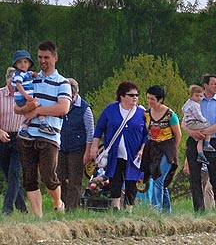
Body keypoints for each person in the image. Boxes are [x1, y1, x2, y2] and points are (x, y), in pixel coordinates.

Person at [14, 41, 72, 217]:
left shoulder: (63, 82)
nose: (43, 61)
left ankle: (58, 202)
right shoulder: (29, 78)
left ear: (55, 58)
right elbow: (17, 108)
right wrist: (27, 109)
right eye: (40, 57)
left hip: (50, 135)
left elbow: (63, 108)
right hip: (27, 134)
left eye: (46, 57)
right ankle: (38, 217)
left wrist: (38, 110)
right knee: (29, 179)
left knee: (48, 176)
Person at [91, 81, 147, 210]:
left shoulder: (141, 112)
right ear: (122, 96)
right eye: (131, 95)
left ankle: (129, 209)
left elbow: (146, 134)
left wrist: (142, 149)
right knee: (115, 179)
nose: (135, 98)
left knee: (131, 180)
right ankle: (115, 207)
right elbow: (99, 128)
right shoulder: (111, 109)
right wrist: (94, 146)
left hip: (134, 154)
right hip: (115, 152)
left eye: (137, 95)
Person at [183, 74, 216, 211]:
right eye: (214, 84)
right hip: (194, 139)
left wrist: (205, 132)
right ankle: (199, 209)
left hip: (214, 141)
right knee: (195, 177)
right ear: (205, 85)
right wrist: (192, 133)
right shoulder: (195, 101)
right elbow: (184, 122)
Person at [140, 85, 181, 212]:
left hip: (167, 148)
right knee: (158, 180)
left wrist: (173, 151)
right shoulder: (146, 114)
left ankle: (155, 209)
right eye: (148, 98)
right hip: (153, 148)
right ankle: (167, 211)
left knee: (159, 178)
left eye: (152, 99)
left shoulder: (170, 115)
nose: (149, 101)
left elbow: (178, 135)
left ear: (160, 100)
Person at [57, 78, 94, 211]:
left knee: (75, 179)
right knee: (59, 178)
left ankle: (72, 208)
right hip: (60, 146)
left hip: (77, 149)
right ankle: (63, 203)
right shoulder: (59, 105)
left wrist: (88, 152)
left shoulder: (84, 108)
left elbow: (90, 131)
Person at [0, 67, 28, 215]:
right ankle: (23, 209)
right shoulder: (0, 95)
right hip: (3, 138)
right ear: (7, 80)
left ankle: (7, 209)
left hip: (20, 138)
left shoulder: (25, 96)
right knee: (9, 174)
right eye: (12, 80)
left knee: (14, 173)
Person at [10, 50, 48, 140]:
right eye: (19, 62)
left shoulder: (26, 73)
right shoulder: (18, 74)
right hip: (22, 97)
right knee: (39, 107)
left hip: (24, 97)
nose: (23, 64)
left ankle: (24, 130)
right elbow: (18, 85)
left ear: (29, 64)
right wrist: (26, 96)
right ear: (15, 64)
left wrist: (34, 74)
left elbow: (32, 76)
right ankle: (43, 124)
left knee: (30, 113)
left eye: (25, 62)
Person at [181, 84, 215, 165]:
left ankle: (200, 154)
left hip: (188, 122)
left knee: (200, 137)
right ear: (191, 96)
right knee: (209, 128)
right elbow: (198, 115)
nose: (199, 98)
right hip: (193, 122)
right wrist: (204, 120)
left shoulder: (188, 103)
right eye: (197, 96)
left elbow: (183, 109)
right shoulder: (195, 105)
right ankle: (207, 143)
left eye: (201, 96)